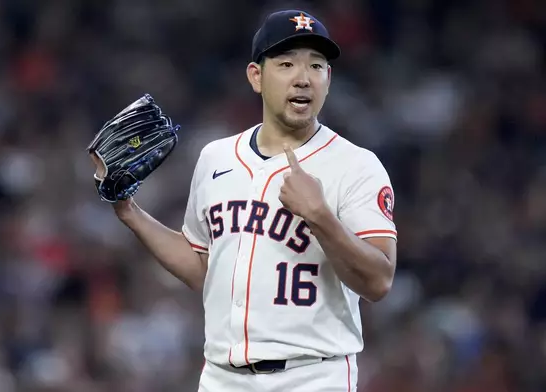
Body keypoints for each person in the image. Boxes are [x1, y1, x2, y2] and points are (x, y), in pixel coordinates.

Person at [96, 9, 397, 392]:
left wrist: (320, 216)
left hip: (314, 376)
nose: (303, 78)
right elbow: (204, 269)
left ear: (328, 78)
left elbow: (379, 281)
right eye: (286, 64)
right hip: (222, 378)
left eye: (316, 66)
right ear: (256, 76)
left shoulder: (356, 165)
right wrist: (129, 212)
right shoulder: (216, 158)